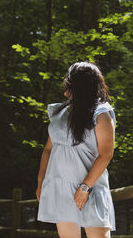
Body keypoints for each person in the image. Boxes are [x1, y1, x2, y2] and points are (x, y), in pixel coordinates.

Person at [36, 61, 116, 238]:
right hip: (61, 189)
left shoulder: (101, 114)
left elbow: (106, 154)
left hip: (90, 188)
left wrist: (85, 187)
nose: (65, 91)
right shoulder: (62, 113)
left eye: (69, 86)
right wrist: (41, 181)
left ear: (81, 87)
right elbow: (49, 149)